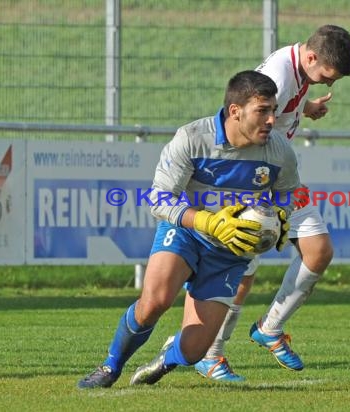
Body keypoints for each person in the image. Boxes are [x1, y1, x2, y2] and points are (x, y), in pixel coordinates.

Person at [77, 70, 301, 389]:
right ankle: (110, 366)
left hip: (232, 251)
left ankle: (166, 359)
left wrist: (280, 215)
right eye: (262, 111)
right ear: (235, 111)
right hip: (187, 233)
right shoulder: (193, 137)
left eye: (273, 111)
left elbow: (289, 190)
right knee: (154, 302)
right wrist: (207, 221)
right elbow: (158, 198)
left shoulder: (279, 150)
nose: (270, 120)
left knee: (196, 351)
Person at [194, 24, 350, 381]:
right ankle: (210, 353)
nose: (330, 84)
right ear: (311, 57)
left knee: (318, 250)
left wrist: (306, 108)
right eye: (328, 76)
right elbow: (241, 125)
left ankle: (269, 328)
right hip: (256, 179)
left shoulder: (296, 73)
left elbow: (276, 113)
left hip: (279, 176)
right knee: (239, 275)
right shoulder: (279, 77)